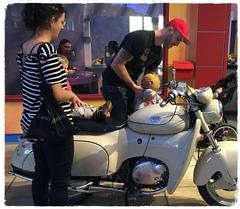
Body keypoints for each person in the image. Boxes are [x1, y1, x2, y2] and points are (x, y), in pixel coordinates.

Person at [16, 4, 85, 206]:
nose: (62, 27)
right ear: (51, 20)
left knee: (41, 174)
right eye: (62, 22)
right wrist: (72, 95)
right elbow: (57, 93)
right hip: (54, 126)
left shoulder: (25, 47)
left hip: (34, 122)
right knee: (59, 182)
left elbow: (32, 87)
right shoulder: (46, 49)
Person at [101, 18, 190, 123]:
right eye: (178, 39)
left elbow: (148, 80)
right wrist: (135, 88)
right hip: (113, 84)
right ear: (171, 30)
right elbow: (117, 64)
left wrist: (149, 92)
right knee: (121, 122)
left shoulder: (158, 54)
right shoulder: (140, 38)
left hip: (129, 87)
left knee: (135, 120)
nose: (177, 44)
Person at [58, 54, 112, 120]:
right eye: (64, 69)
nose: (66, 71)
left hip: (71, 104)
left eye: (67, 69)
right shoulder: (58, 83)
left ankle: (97, 109)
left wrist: (77, 101)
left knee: (84, 106)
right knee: (81, 111)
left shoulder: (65, 81)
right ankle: (97, 114)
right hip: (65, 109)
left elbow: (71, 94)